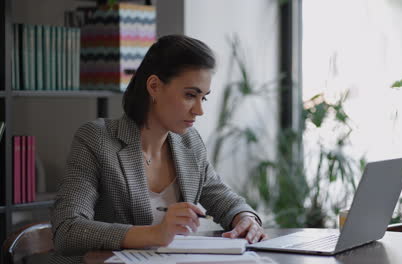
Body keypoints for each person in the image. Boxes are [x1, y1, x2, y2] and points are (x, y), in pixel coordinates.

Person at [50, 35, 266, 263]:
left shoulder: (189, 143)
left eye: (204, 97)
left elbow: (223, 198)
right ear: (154, 86)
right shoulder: (97, 139)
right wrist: (155, 234)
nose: (199, 110)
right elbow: (68, 231)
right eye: (190, 95)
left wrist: (245, 218)